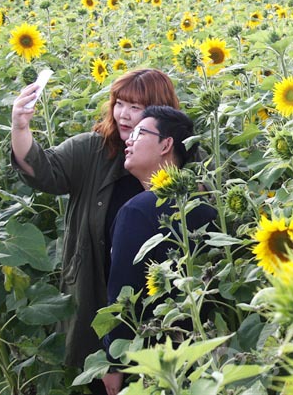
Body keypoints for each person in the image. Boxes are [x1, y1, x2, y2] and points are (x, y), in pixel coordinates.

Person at [11, 69, 180, 394]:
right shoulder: (94, 151)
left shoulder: (177, 157)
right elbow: (43, 171)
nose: (124, 115)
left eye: (136, 107)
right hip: (98, 294)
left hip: (162, 307)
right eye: (120, 103)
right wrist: (20, 126)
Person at [101, 106, 217, 394]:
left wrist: (114, 363)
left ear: (166, 145)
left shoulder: (137, 211)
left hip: (155, 359)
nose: (129, 140)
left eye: (139, 133)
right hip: (205, 355)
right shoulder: (207, 208)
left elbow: (124, 296)